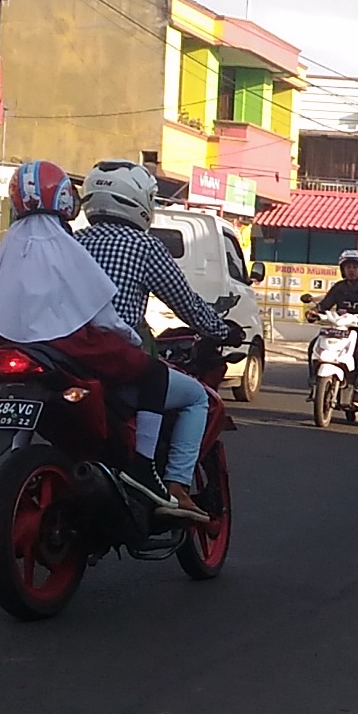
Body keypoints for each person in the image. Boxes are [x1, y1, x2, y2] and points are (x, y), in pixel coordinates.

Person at [75, 159, 237, 521]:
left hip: (67, 357)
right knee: (196, 397)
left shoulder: (72, 242)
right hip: (115, 362)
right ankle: (175, 486)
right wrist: (222, 330)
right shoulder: (144, 247)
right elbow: (187, 304)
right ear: (138, 201)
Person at [305, 250, 358, 399]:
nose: (351, 270)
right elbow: (325, 304)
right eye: (348, 267)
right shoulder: (339, 287)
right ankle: (314, 381)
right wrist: (314, 312)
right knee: (315, 344)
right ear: (343, 269)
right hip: (339, 329)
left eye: (355, 267)